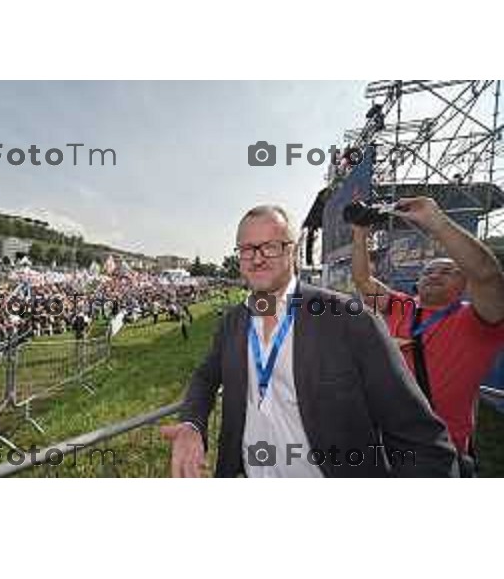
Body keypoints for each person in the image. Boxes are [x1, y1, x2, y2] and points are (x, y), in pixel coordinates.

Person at [162, 205, 458, 478]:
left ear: (292, 252)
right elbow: (205, 375)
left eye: (270, 246)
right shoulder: (232, 322)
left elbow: (422, 441)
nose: (257, 257)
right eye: (247, 248)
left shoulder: (350, 319)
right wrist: (191, 425)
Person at [351, 196, 504, 475]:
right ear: (418, 281)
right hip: (384, 440)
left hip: (436, 451)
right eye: (429, 270)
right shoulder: (401, 305)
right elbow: (363, 280)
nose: (435, 274)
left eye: (448, 271)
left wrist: (437, 223)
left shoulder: (480, 320)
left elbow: (488, 276)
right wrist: (360, 232)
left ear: (464, 283)